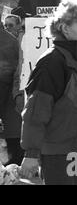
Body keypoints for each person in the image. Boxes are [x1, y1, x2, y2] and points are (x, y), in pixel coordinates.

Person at [19, 0, 77, 185]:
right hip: (57, 154)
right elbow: (36, 111)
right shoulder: (51, 62)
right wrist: (31, 154)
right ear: (64, 27)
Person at [1, 14, 24, 166]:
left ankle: (14, 161)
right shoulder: (12, 41)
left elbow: (12, 69)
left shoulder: (10, 41)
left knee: (13, 129)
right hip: (10, 90)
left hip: (7, 90)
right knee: (13, 130)